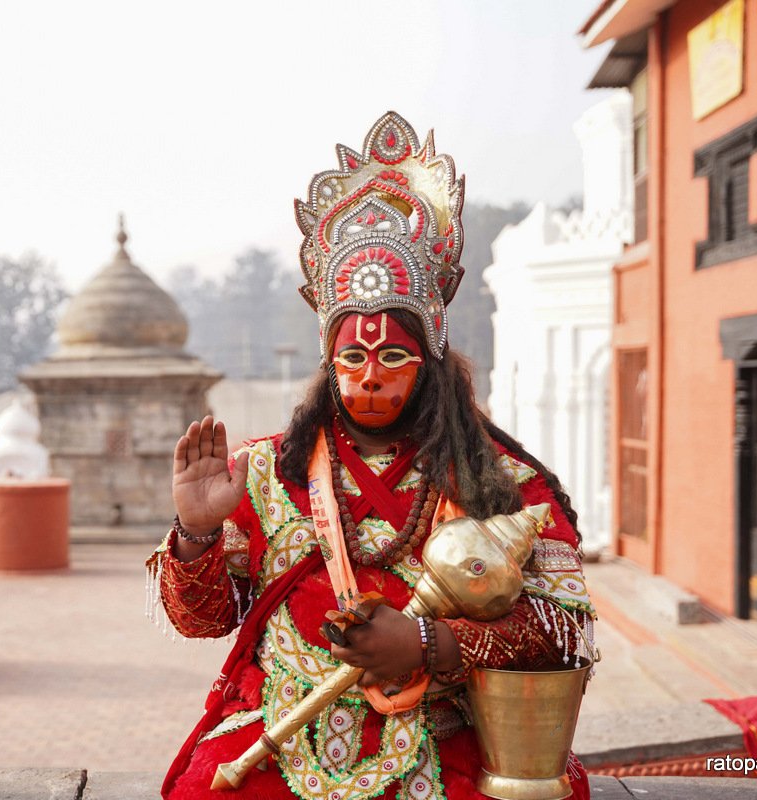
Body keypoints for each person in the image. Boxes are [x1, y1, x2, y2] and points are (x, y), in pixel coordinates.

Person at [149, 112, 596, 800]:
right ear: (329, 362)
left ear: (433, 362)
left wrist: (430, 647)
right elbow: (202, 622)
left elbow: (565, 630)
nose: (369, 377)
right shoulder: (265, 472)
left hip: (444, 729)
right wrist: (198, 533)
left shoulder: (504, 481)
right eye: (351, 357)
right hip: (281, 728)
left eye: (393, 355)